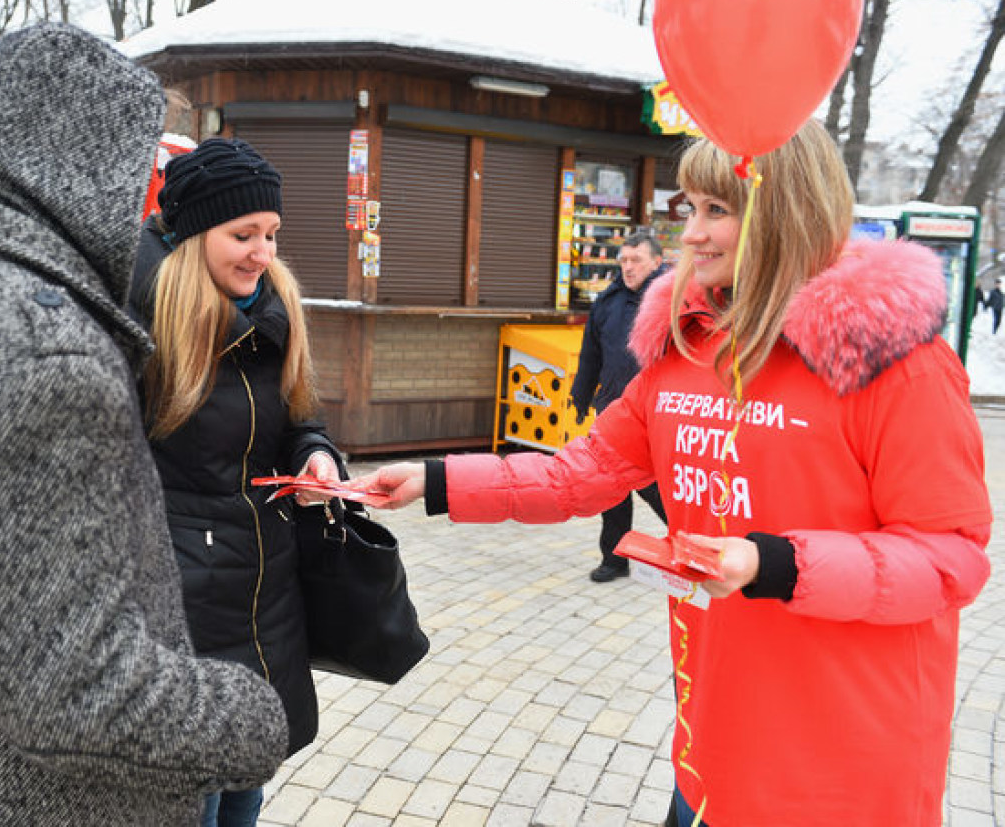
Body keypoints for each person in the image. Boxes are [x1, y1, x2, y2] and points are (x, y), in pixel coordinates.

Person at [351, 118, 992, 826]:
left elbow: (949, 559)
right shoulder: (686, 353)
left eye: (717, 210)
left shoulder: (894, 363)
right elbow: (579, 473)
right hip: (716, 739)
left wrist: (774, 562)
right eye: (689, 209)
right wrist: (435, 479)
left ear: (783, 213)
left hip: (844, 762)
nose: (690, 234)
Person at [0, 24, 288, 827]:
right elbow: (75, 687)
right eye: (137, 159)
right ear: (88, 159)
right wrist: (248, 714)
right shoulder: (49, 361)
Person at [124, 137, 346, 827]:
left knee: (246, 788)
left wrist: (317, 454)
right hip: (179, 612)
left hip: (263, 600)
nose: (263, 252)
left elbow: (302, 415)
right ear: (193, 234)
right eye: (243, 234)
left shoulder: (275, 304)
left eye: (272, 233)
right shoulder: (140, 319)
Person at [571, 230, 668, 582]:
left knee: (654, 485)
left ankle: (693, 543)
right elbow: (591, 354)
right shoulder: (607, 301)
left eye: (636, 260)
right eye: (623, 261)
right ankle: (614, 559)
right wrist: (580, 397)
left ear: (656, 262)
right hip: (612, 407)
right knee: (612, 486)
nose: (628, 267)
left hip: (656, 413)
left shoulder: (670, 300)